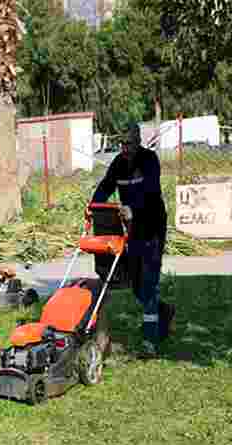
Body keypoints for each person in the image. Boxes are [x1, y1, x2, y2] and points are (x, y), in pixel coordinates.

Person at [90, 122, 175, 356]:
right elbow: (106, 186)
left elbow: (150, 190)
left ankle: (150, 340)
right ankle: (163, 312)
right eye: (122, 143)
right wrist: (92, 205)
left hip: (152, 226)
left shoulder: (149, 160)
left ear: (138, 141)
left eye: (130, 143)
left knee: (149, 281)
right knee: (137, 285)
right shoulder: (118, 163)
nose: (125, 148)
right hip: (133, 230)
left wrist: (133, 210)